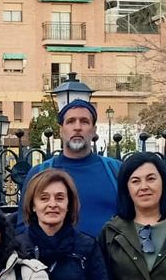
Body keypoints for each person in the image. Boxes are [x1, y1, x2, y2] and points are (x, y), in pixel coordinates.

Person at [19, 98, 121, 239]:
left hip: (109, 252)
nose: (77, 127)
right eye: (71, 121)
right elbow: (23, 225)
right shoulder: (40, 172)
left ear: (94, 131)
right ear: (61, 130)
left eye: (84, 121)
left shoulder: (116, 170)